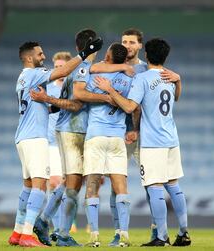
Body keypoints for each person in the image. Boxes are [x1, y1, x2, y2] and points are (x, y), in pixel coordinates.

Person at [95, 38, 191, 247]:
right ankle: (184, 233)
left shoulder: (144, 78)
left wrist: (110, 90)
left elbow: (130, 107)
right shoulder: (170, 76)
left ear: (146, 55)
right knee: (173, 185)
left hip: (153, 142)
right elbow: (176, 98)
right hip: (171, 139)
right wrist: (179, 81)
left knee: (155, 187)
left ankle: (161, 237)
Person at [8, 39, 102, 247]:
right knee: (40, 187)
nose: (43, 57)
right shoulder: (34, 74)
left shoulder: (23, 78)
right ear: (30, 58)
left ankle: (16, 232)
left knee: (28, 186)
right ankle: (27, 235)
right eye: (40, 54)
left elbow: (38, 106)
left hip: (23, 136)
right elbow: (61, 73)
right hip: (35, 138)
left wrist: (54, 105)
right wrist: (85, 53)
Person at [83, 43, 132, 247]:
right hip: (117, 137)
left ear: (109, 56)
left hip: (96, 135)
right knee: (120, 185)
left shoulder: (97, 77)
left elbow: (84, 89)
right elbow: (131, 105)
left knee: (93, 184)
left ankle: (94, 235)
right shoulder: (129, 78)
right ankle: (124, 235)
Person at [32, 51, 72, 245]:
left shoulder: (74, 87)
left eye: (61, 67)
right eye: (55, 67)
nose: (59, 71)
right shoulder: (47, 88)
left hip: (68, 141)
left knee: (67, 187)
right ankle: (55, 229)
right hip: (51, 143)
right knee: (55, 183)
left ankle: (57, 227)